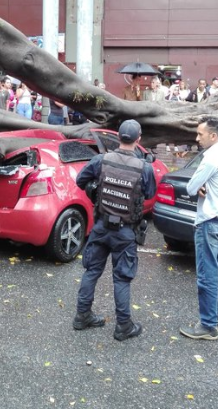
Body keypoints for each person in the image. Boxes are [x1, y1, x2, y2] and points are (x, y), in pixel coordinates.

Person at [73, 120, 156, 341]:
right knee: (121, 279)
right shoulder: (144, 167)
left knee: (91, 272)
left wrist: (97, 190)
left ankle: (82, 315)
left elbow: (80, 181)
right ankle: (123, 326)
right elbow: (149, 194)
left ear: (118, 137)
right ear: (139, 139)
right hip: (125, 232)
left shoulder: (101, 160)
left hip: (100, 228)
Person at [180, 117, 218, 340]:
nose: (197, 138)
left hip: (209, 221)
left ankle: (208, 325)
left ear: (213, 136)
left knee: (207, 274)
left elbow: (191, 187)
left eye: (200, 134)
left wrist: (199, 185)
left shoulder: (211, 158)